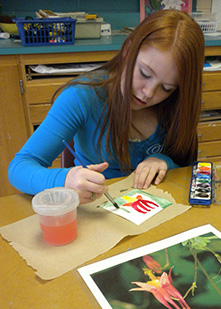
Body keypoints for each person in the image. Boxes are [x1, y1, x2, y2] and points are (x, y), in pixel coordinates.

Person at [8, 9, 204, 204]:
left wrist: (163, 161)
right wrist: (64, 180)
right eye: (144, 73)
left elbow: (186, 163)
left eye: (167, 88)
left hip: (157, 211)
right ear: (128, 50)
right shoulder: (82, 97)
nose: (149, 93)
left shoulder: (174, 104)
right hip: (97, 213)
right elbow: (19, 167)